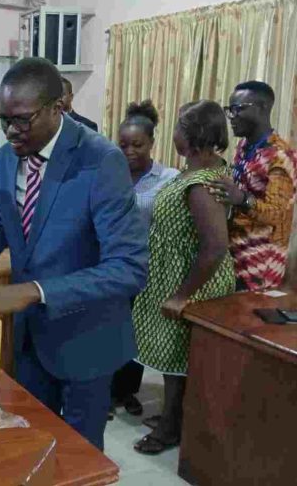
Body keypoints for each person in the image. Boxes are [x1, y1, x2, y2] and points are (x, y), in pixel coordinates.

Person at [0, 58, 149, 450]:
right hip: (31, 340)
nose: (10, 131)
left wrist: (32, 291)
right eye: (3, 119)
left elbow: (128, 268)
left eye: (21, 120)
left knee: (78, 455)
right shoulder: (8, 156)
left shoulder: (101, 160)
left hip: (86, 339)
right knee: (32, 443)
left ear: (57, 108)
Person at [132, 101, 235, 455]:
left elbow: (215, 247)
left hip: (193, 285)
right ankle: (173, 417)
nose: (171, 132)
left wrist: (181, 295)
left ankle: (170, 428)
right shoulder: (200, 172)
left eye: (177, 125)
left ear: (192, 135)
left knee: (179, 361)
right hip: (178, 276)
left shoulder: (201, 184)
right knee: (176, 360)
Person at [112, 100, 179, 419]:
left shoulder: (169, 179)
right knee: (107, 330)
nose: (129, 151)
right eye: (122, 144)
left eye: (137, 145)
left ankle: (126, 391)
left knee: (133, 332)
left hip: (147, 269)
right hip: (110, 264)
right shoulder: (109, 174)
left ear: (152, 143)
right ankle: (104, 392)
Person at [206, 81, 297, 291]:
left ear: (263, 108)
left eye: (238, 109)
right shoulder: (244, 146)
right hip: (233, 254)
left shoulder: (281, 155)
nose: (232, 117)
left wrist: (242, 198)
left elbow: (278, 214)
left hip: (259, 264)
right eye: (229, 110)